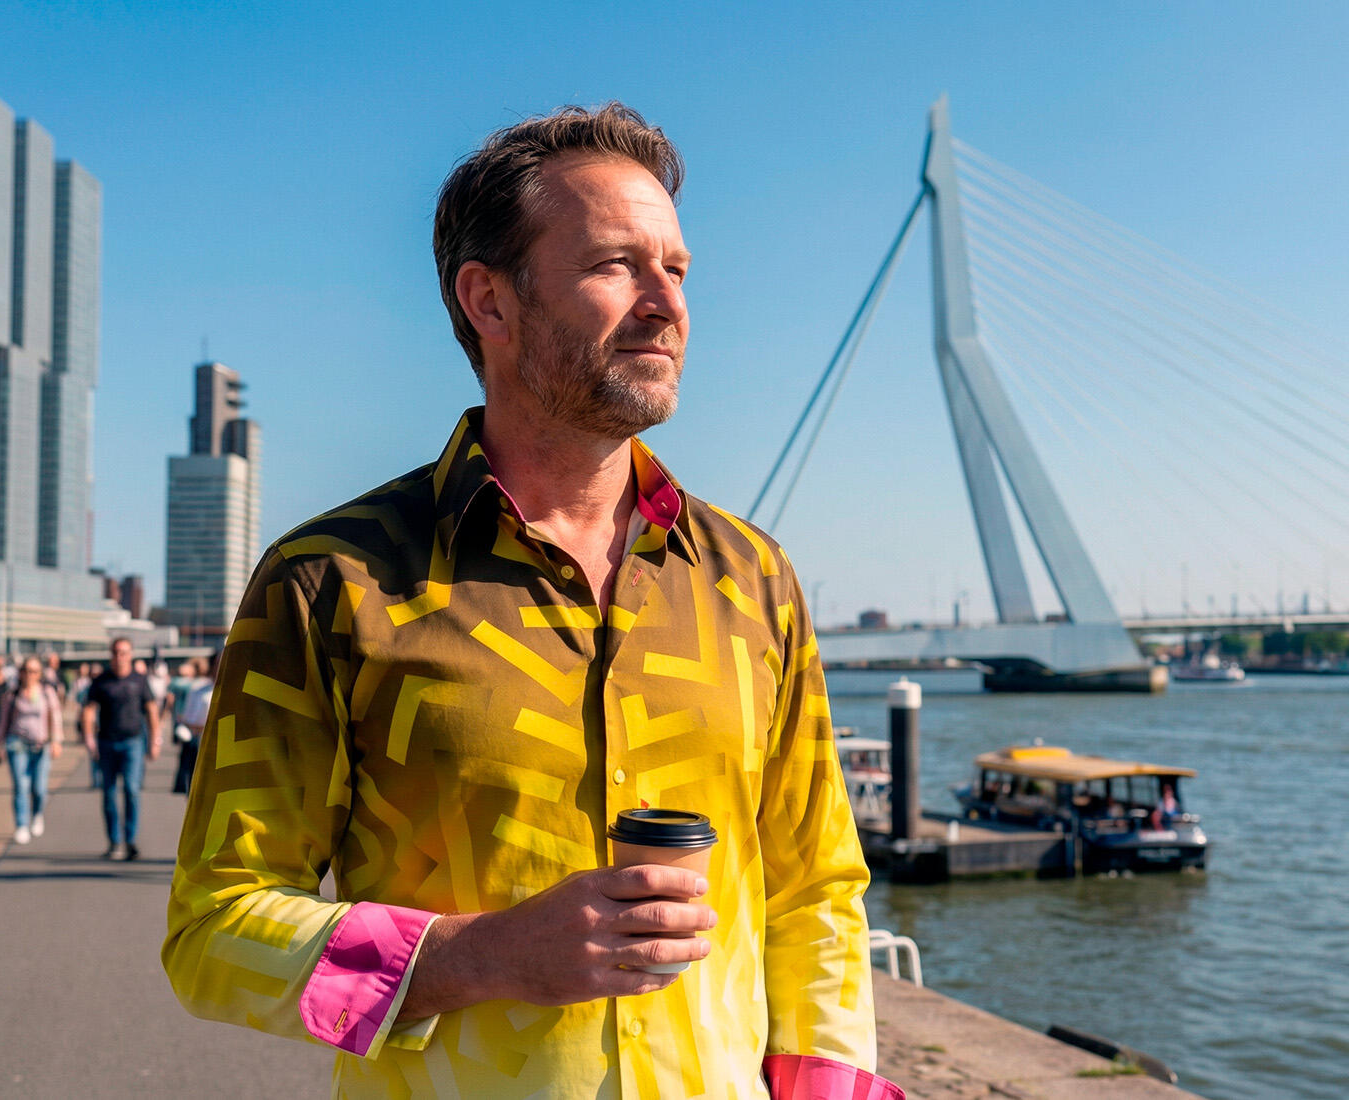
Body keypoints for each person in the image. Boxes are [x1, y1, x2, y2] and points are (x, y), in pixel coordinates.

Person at [164, 104, 892, 1099]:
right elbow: (214, 928)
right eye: (614, 265)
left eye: (674, 269)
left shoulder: (752, 578)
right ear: (488, 301)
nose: (664, 303)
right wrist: (482, 954)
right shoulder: (333, 581)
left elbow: (817, 891)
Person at [81, 638, 159, 860]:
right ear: (111, 655)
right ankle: (114, 841)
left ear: (131, 655)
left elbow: (152, 710)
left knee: (132, 790)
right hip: (106, 742)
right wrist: (89, 739)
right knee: (108, 793)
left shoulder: (140, 680)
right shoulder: (101, 681)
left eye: (124, 653)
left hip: (133, 742)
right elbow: (88, 710)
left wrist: (155, 741)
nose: (119, 657)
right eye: (116, 653)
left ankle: (130, 840)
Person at [0, 655, 63, 844]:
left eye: (35, 671)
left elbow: (55, 718)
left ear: (40, 674)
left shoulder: (47, 692)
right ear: (21, 673)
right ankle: (21, 824)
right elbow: (3, 723)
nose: (30, 675)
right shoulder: (12, 695)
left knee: (39, 787)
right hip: (18, 744)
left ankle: (37, 813)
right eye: (27, 671)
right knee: (21, 786)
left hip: (41, 744)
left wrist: (56, 741)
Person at [168, 655, 212, 795]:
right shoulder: (195, 686)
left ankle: (181, 785)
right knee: (191, 765)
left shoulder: (185, 684)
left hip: (189, 725)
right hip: (193, 730)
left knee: (186, 761)